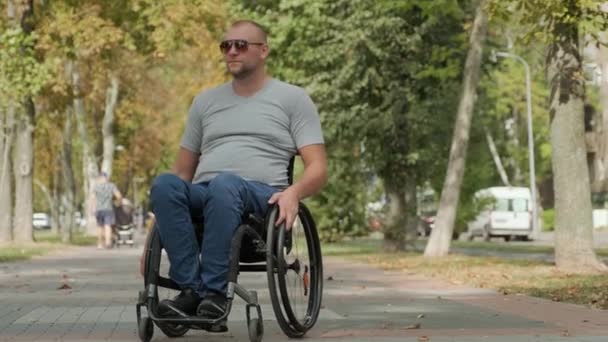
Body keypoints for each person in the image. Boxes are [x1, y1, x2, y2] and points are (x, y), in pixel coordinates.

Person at [142, 19, 327, 328]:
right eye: (225, 45)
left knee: (225, 184)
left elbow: (319, 167)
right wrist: (152, 239)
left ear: (264, 50)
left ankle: (214, 293)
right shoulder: (205, 102)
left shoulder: (293, 99)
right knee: (164, 184)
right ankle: (190, 291)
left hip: (261, 196)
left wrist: (294, 192)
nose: (231, 51)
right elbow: (182, 173)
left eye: (240, 45)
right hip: (206, 193)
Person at [92, 172, 122, 249]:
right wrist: (118, 203)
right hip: (108, 208)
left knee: (99, 226)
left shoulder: (96, 187)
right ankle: (108, 242)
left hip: (98, 209)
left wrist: (93, 208)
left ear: (100, 178)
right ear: (107, 178)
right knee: (107, 226)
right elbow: (119, 195)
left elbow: (93, 198)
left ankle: (99, 244)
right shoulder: (111, 186)